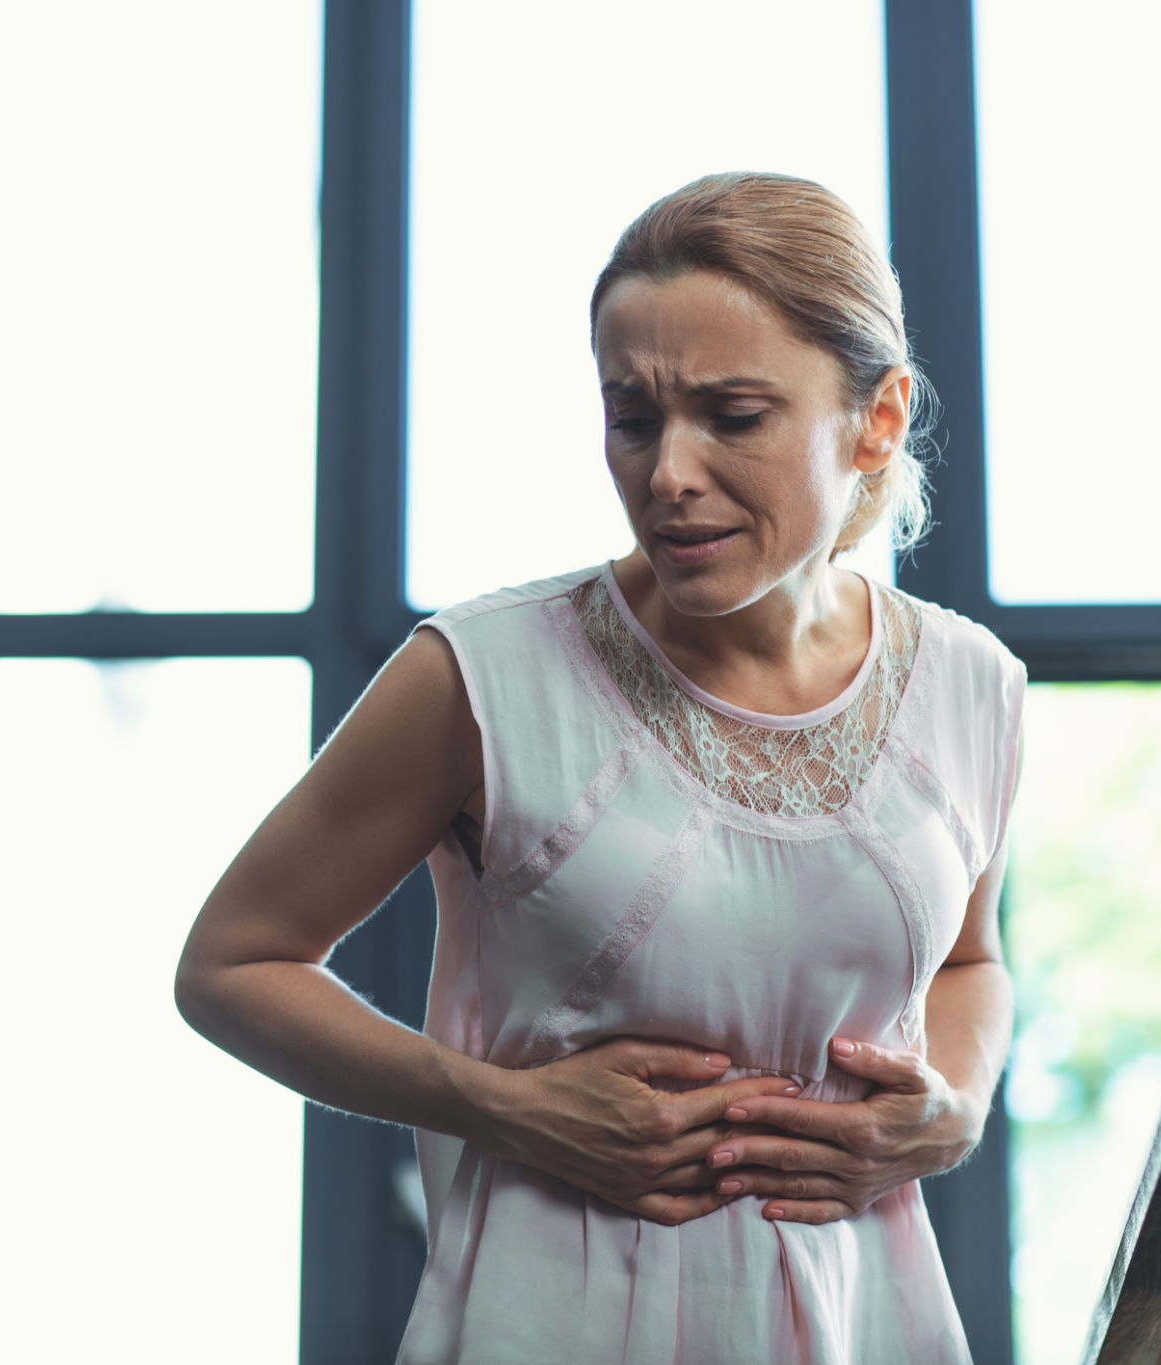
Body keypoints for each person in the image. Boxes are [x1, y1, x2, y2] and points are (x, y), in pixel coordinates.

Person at [174, 170, 1028, 1364]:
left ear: (875, 419)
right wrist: (503, 1106)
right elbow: (230, 966)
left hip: (866, 1324)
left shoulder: (971, 685)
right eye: (632, 418)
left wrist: (956, 1107)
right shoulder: (479, 675)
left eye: (732, 416)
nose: (666, 473)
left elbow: (969, 961)